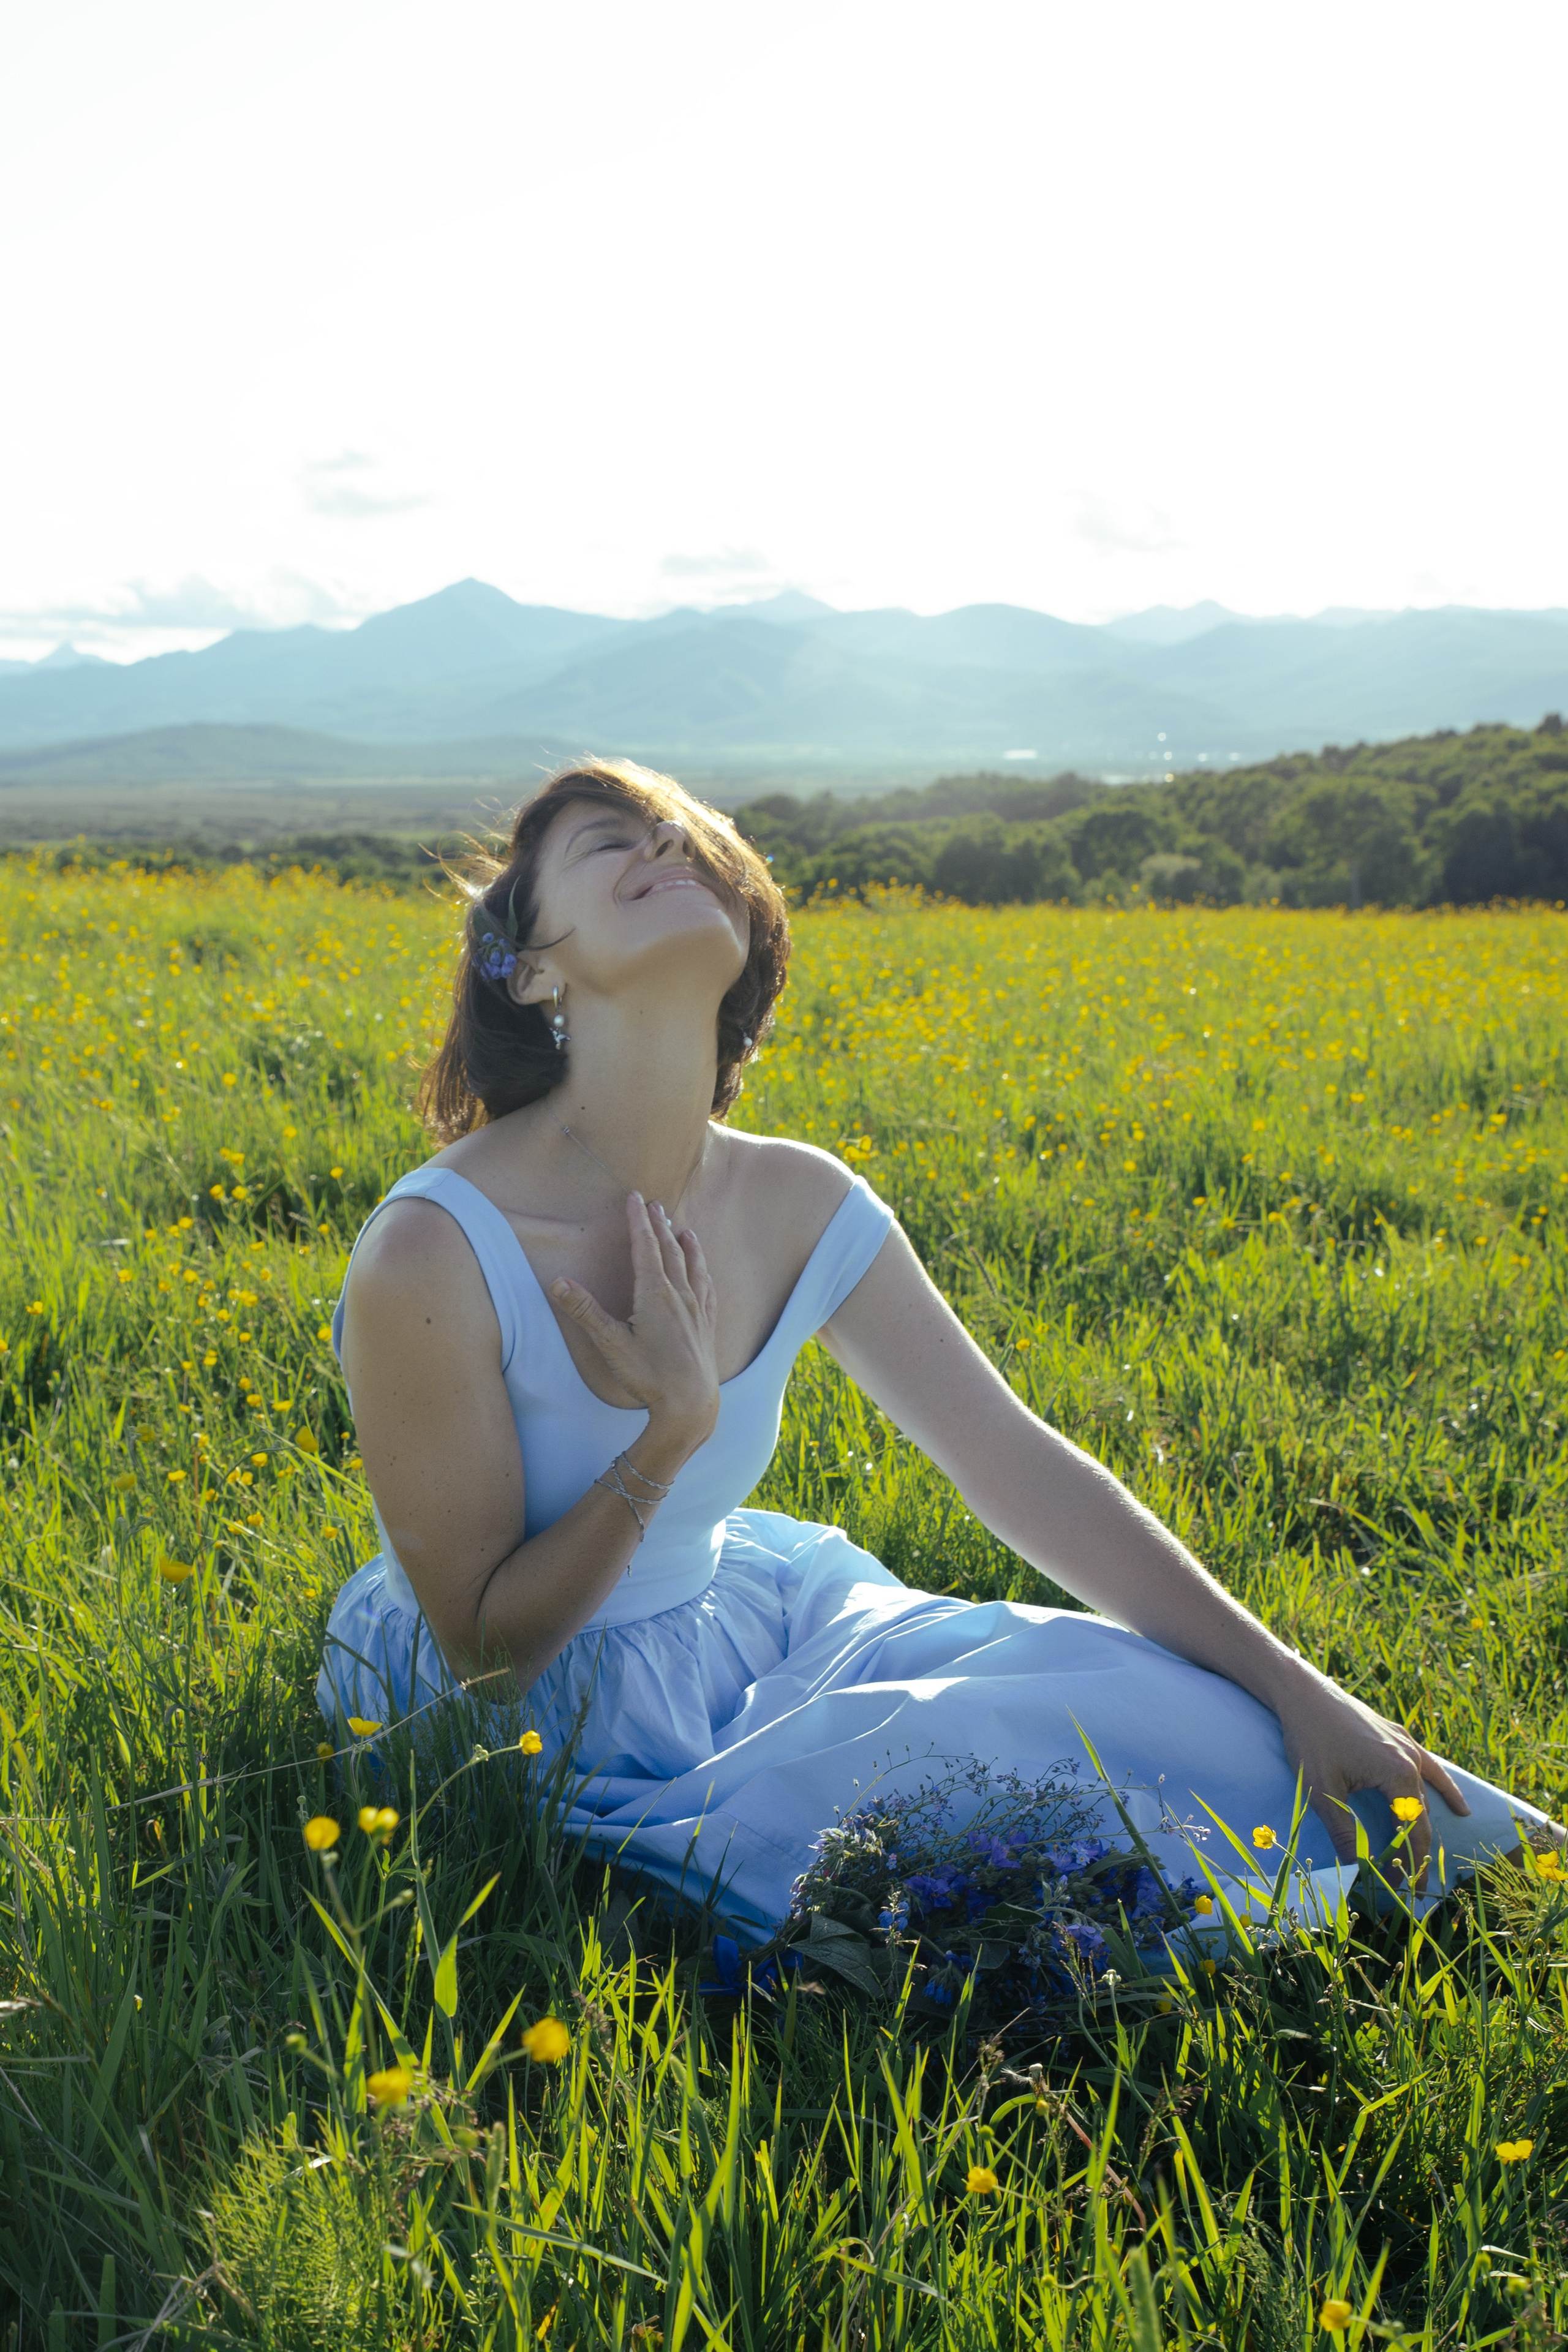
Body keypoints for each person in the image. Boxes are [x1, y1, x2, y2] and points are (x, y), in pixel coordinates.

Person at [317, 760, 1550, 1939]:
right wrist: (669, 1436)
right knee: (943, 1863)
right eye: (609, 842)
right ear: (533, 972)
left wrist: (1293, 1684)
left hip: (746, 1622)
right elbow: (483, 1655)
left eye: (686, 838)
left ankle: (1486, 1880)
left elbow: (1016, 1467)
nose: (663, 846)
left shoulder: (798, 1202)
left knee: (1193, 1718)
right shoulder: (433, 1250)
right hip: (528, 1709)